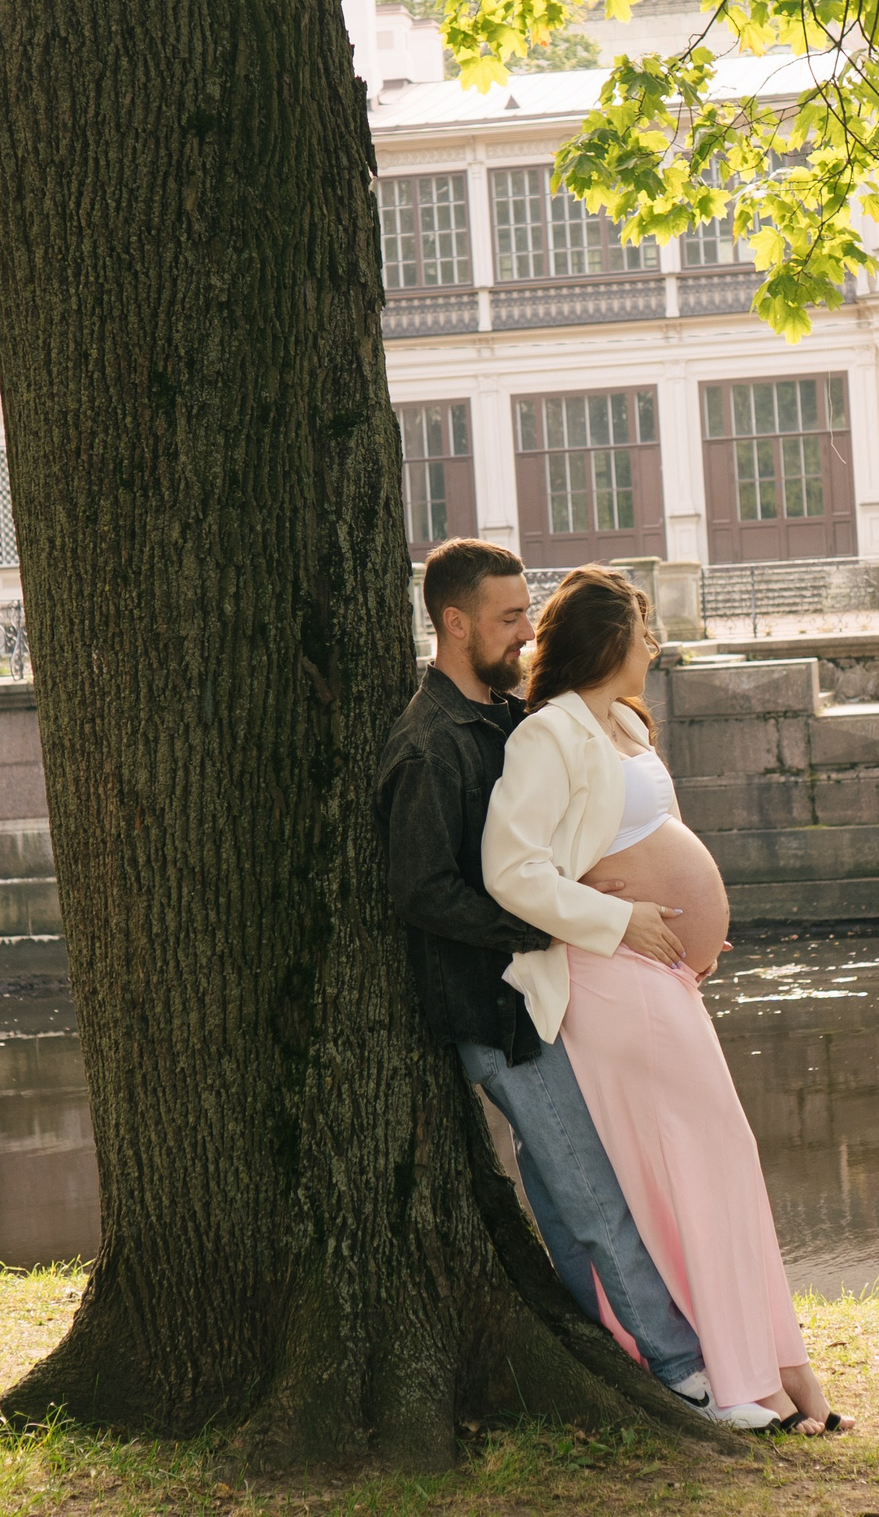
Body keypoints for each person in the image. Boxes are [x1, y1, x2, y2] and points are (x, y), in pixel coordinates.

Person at [373, 540, 747, 1427]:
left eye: (530, 611)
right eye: (509, 617)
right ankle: (684, 1371)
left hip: (543, 992)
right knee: (590, 1193)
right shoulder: (429, 745)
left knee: (556, 1182)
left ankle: (606, 1339)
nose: (528, 630)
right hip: (497, 1009)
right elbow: (423, 890)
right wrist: (563, 915)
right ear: (454, 623)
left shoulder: (505, 714)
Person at [482, 566, 846, 1435]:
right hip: (608, 979)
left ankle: (778, 1368)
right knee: (689, 1158)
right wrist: (618, 917)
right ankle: (730, 1376)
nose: (654, 645)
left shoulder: (621, 724)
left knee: (719, 1152)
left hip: (659, 976)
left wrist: (692, 931)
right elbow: (510, 870)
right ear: (610, 641)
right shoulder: (547, 737)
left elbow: (648, 835)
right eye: (643, 631)